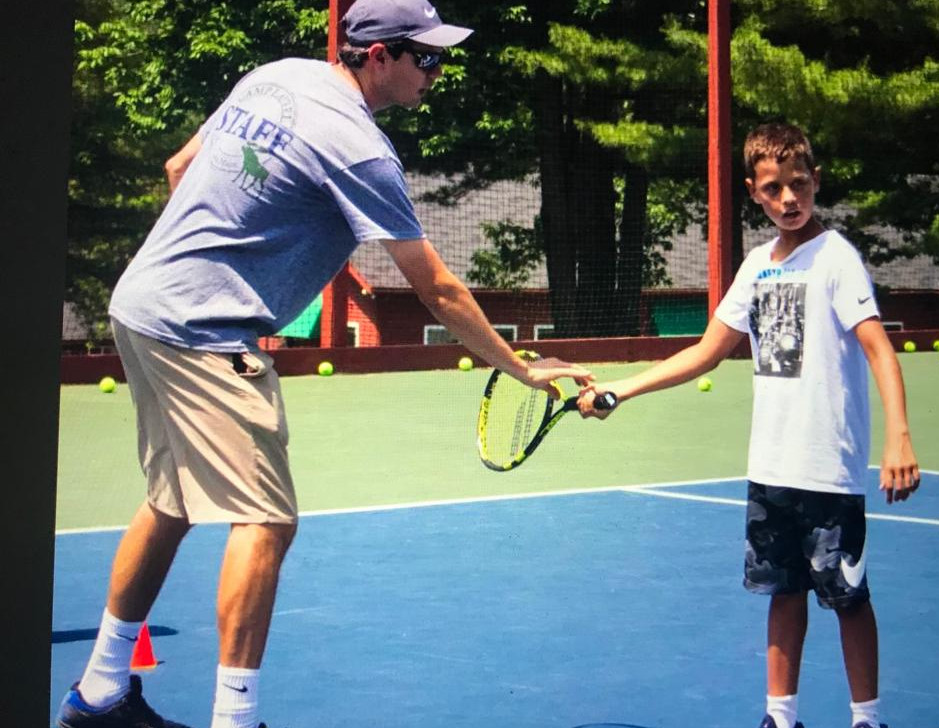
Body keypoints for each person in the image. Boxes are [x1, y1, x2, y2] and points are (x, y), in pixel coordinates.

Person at [55, 2, 592, 727]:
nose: (437, 71)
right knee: (267, 521)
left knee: (172, 501)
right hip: (204, 332)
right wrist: (524, 368)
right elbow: (435, 287)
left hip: (141, 306)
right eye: (425, 57)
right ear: (378, 55)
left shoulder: (276, 77)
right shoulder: (360, 147)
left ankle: (99, 691)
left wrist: (208, 256)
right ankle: (234, 719)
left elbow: (179, 167)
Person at [578, 123, 920, 728]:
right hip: (771, 469)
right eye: (773, 188)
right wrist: (619, 390)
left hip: (828, 472)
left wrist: (899, 434)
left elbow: (879, 350)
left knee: (847, 598)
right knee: (782, 594)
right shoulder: (756, 266)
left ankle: (868, 719)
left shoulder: (837, 258)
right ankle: (780, 717)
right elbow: (705, 352)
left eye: (798, 185)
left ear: (816, 181)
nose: (789, 199)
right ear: (753, 193)